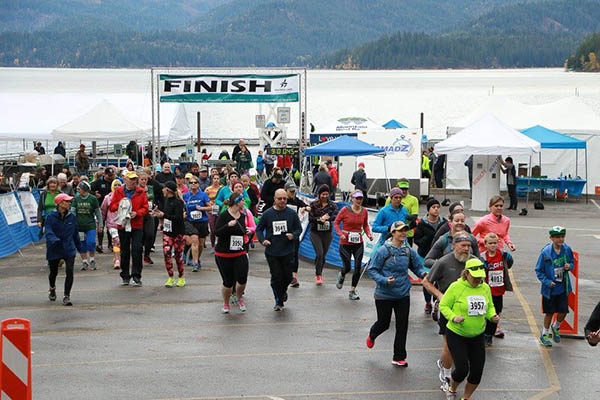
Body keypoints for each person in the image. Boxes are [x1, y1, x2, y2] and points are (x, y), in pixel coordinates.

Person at [366, 221, 427, 367]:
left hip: (403, 293)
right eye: (400, 231)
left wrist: (423, 274)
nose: (403, 233)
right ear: (393, 233)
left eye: (405, 230)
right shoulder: (383, 250)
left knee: (402, 325)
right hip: (384, 294)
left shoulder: (408, 251)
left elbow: (416, 268)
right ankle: (373, 334)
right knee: (384, 324)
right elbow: (372, 270)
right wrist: (384, 280)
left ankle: (399, 356)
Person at [422, 233, 478, 389]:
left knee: (465, 345)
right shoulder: (443, 262)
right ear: (454, 245)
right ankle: (446, 375)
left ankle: (448, 365)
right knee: (448, 343)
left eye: (468, 246)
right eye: (463, 245)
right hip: (448, 309)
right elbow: (426, 282)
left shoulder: (474, 262)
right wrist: (440, 296)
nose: (466, 249)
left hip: (469, 311)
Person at [439, 258, 499, 399]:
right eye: (475, 276)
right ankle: (452, 389)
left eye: (480, 277)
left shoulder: (485, 288)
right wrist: (453, 317)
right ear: (466, 273)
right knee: (461, 369)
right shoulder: (456, 287)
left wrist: (492, 316)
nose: (478, 279)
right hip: (457, 334)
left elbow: (489, 306)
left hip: (477, 335)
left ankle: (466, 397)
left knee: (477, 371)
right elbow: (443, 306)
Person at [256, 188, 302, 311]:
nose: (282, 201)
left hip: (287, 250)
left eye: (284, 199)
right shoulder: (268, 214)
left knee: (287, 277)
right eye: (279, 199)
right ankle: (278, 301)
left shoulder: (291, 214)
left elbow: (299, 229)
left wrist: (293, 235)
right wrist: (262, 240)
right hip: (272, 251)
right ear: (274, 199)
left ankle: (282, 291)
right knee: (276, 276)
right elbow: (259, 229)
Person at [536, 226, 574, 347]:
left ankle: (556, 326)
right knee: (549, 312)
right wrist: (547, 282)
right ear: (551, 238)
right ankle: (544, 334)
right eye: (557, 237)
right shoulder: (546, 252)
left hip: (562, 286)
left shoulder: (567, 249)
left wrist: (570, 266)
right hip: (550, 289)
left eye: (562, 236)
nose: (560, 239)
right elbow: (538, 270)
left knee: (563, 311)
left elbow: (572, 262)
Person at [109, 171, 149, 287]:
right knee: (125, 251)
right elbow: (112, 207)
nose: (133, 181)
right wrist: (122, 207)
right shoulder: (119, 191)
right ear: (125, 180)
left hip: (137, 225)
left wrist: (137, 213)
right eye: (131, 179)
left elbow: (145, 208)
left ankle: (136, 276)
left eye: (134, 179)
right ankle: (125, 275)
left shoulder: (141, 192)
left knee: (137, 250)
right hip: (123, 225)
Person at [214, 192, 251, 313]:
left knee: (242, 278)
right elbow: (216, 232)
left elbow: (242, 231)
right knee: (228, 282)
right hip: (224, 253)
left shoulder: (243, 215)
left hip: (240, 252)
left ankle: (239, 298)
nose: (244, 202)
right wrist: (228, 226)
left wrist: (248, 232)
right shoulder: (224, 215)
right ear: (237, 202)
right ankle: (225, 303)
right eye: (242, 200)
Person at [334, 190, 373, 300]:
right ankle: (342, 275)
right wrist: (340, 233)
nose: (359, 200)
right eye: (357, 198)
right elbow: (336, 222)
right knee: (347, 267)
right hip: (345, 242)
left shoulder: (364, 211)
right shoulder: (345, 210)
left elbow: (365, 225)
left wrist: (369, 234)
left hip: (358, 242)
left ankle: (352, 290)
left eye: (361, 198)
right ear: (352, 199)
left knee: (357, 268)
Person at [45, 193, 82, 306]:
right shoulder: (50, 217)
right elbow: (48, 231)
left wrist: (80, 248)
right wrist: (54, 239)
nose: (69, 203)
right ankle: (52, 288)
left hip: (69, 248)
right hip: (54, 248)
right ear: (60, 203)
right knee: (53, 272)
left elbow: (75, 233)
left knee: (69, 271)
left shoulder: (72, 217)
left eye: (70, 201)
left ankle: (67, 296)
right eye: (67, 201)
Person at [480, 232, 514, 345]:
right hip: (486, 290)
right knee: (485, 312)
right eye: (490, 243)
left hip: (499, 290)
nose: (493, 245)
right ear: (485, 244)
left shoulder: (503, 255)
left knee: (496, 312)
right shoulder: (483, 257)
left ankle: (489, 334)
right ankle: (484, 333)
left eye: (495, 243)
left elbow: (509, 263)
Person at [414, 198, 447, 313]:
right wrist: (426, 239)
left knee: (440, 279)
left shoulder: (444, 223)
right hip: (425, 255)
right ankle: (428, 302)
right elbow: (416, 239)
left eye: (438, 207)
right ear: (428, 210)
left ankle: (438, 300)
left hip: (440, 256)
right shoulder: (422, 223)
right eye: (434, 207)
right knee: (427, 279)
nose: (436, 209)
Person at [152, 181, 186, 288]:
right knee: (166, 253)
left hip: (178, 233)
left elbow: (178, 218)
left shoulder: (178, 203)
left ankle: (181, 277)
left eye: (164, 189)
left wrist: (164, 215)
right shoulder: (165, 201)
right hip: (167, 232)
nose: (162, 191)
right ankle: (170, 277)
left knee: (178, 256)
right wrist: (158, 214)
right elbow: (164, 214)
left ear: (168, 190)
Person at [308, 185, 338, 285]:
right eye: (323, 194)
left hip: (327, 233)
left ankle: (319, 267)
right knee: (319, 253)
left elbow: (336, 216)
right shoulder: (313, 205)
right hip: (315, 232)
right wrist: (319, 219)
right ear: (319, 195)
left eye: (326, 194)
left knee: (322, 255)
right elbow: (310, 219)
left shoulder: (332, 205)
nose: (325, 196)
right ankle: (318, 274)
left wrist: (328, 218)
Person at [183, 176, 212, 271]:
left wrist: (202, 208)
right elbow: (183, 207)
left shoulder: (203, 195)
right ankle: (195, 263)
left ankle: (197, 259)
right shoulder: (186, 196)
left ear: (198, 184)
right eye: (191, 182)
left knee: (200, 243)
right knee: (194, 240)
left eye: (195, 182)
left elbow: (210, 207)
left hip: (202, 221)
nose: (193, 184)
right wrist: (183, 213)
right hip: (190, 222)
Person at [72, 181, 102, 271]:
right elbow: (73, 211)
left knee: (91, 242)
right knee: (82, 244)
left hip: (90, 225)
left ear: (84, 189)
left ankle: (92, 259)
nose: (78, 190)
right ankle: (84, 261)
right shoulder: (76, 199)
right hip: (79, 226)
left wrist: (100, 224)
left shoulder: (92, 199)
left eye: (79, 189)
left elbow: (98, 212)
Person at [284, 182, 308, 288]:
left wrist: (305, 208)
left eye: (294, 192)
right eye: (291, 192)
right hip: (283, 231)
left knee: (294, 255)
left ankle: (294, 277)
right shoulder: (281, 201)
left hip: (294, 231)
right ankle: (284, 275)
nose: (293, 194)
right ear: (285, 191)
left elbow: (307, 206)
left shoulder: (296, 201)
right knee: (284, 255)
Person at [385, 180, 418, 246]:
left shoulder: (414, 199)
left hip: (407, 234)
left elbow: (414, 216)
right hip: (393, 233)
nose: (404, 191)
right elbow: (386, 214)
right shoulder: (390, 199)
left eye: (406, 189)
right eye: (402, 189)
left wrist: (402, 215)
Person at [90, 166, 115, 253]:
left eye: (111, 175)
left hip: (110, 207)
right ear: (104, 174)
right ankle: (100, 244)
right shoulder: (98, 182)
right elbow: (89, 189)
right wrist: (94, 194)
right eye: (108, 175)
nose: (110, 177)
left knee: (110, 226)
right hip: (100, 206)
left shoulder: (113, 182)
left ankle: (110, 244)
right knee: (100, 226)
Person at [100, 179, 123, 269]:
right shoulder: (107, 198)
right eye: (115, 185)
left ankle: (119, 257)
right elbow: (103, 211)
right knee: (116, 240)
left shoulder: (124, 196)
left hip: (122, 224)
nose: (117, 187)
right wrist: (101, 223)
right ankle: (117, 260)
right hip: (112, 224)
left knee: (122, 242)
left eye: (118, 185)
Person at [138, 172, 156, 265]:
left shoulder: (150, 189)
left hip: (149, 214)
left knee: (150, 235)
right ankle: (139, 256)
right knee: (140, 236)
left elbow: (155, 200)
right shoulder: (136, 190)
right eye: (142, 179)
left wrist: (155, 208)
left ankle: (147, 254)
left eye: (145, 179)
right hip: (139, 215)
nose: (144, 181)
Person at [205, 174, 222, 250]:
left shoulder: (222, 188)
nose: (216, 180)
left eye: (217, 178)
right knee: (212, 229)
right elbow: (204, 198)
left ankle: (219, 244)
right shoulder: (208, 189)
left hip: (220, 209)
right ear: (212, 179)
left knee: (220, 228)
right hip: (211, 210)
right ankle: (213, 245)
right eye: (214, 178)